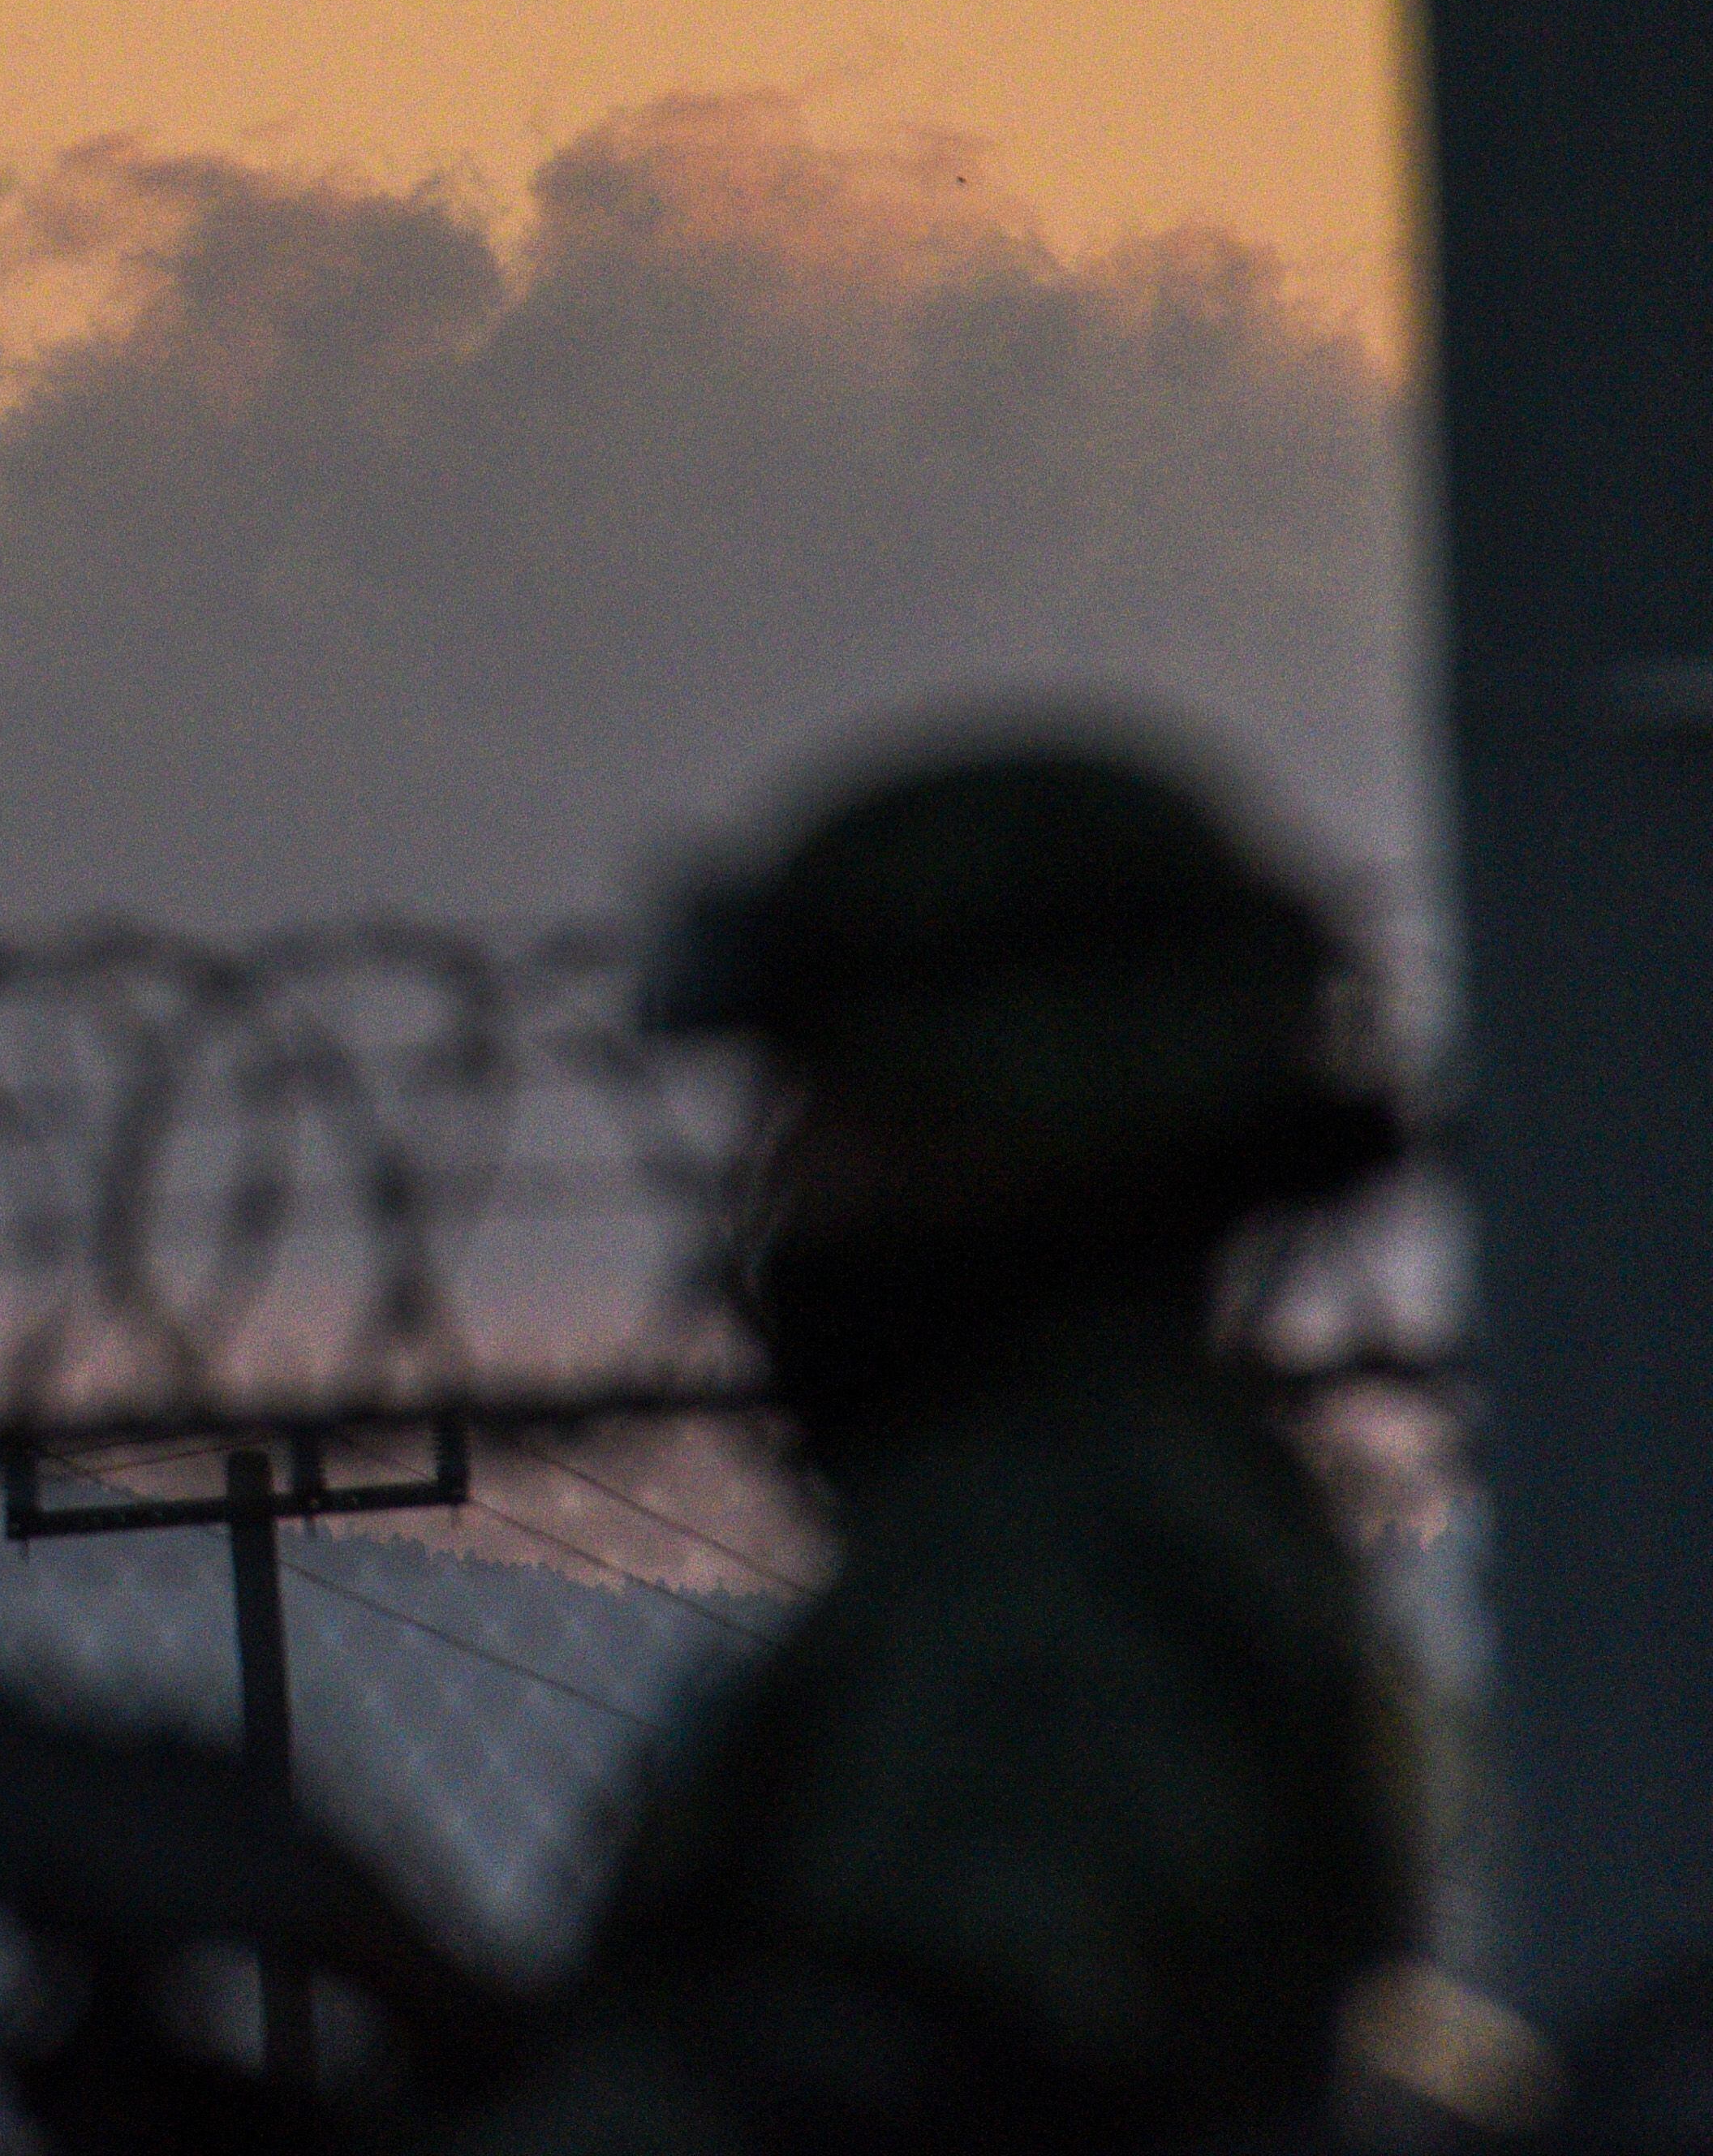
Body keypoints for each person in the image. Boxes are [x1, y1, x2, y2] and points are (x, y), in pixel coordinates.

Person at [452, 733, 1427, 2154]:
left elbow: (889, 2089)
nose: (784, 1182)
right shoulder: (1106, 1520)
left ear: (1013, 1106)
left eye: (841, 1110)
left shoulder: (1059, 1581)